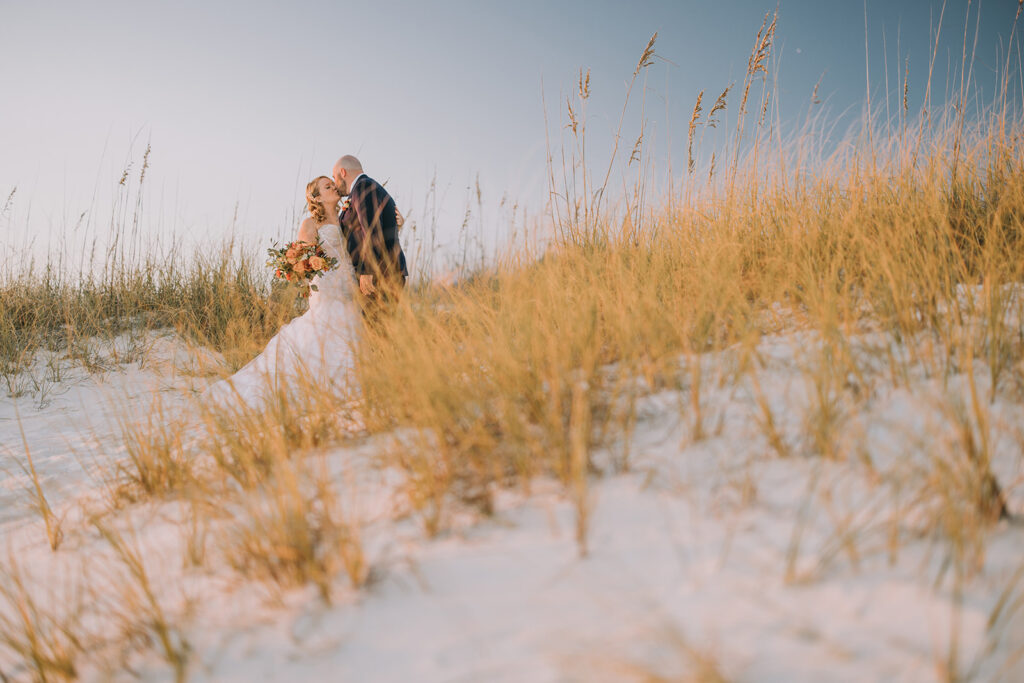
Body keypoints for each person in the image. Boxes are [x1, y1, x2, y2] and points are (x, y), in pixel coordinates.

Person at [202, 176, 360, 409]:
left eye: (333, 184)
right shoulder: (310, 224)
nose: (334, 187)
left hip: (350, 284)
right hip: (327, 286)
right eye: (327, 186)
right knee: (330, 327)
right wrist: (306, 263)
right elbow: (302, 261)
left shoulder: (347, 217)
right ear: (316, 197)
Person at [332, 155, 408, 324]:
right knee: (376, 331)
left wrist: (367, 270)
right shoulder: (366, 188)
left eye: (334, 177)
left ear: (342, 172)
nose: (335, 184)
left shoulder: (363, 187)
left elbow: (372, 228)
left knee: (377, 332)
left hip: (380, 274)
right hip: (381, 272)